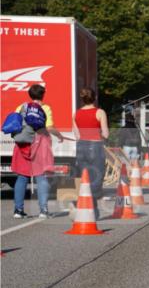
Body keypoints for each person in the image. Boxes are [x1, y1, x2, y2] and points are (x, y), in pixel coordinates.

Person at [11, 84, 65, 219]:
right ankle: (43, 210)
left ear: (30, 95)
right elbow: (50, 127)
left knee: (22, 177)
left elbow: (16, 123)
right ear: (43, 94)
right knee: (41, 176)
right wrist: (59, 135)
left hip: (23, 143)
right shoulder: (45, 108)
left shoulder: (21, 107)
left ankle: (18, 210)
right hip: (40, 144)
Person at [72, 87, 109, 212]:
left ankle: (85, 206)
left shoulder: (76, 113)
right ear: (95, 98)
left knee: (85, 178)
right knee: (97, 178)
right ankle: (93, 208)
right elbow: (106, 134)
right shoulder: (100, 112)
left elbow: (76, 135)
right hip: (95, 146)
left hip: (81, 146)